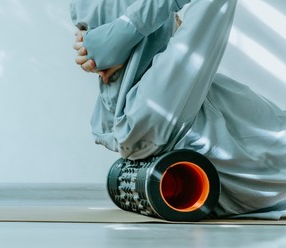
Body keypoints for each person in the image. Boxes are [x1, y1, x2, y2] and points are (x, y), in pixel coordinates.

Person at [70, 0, 286, 220]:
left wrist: (117, 41)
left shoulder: (136, 111)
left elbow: (99, 44)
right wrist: (125, 34)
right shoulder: (154, 103)